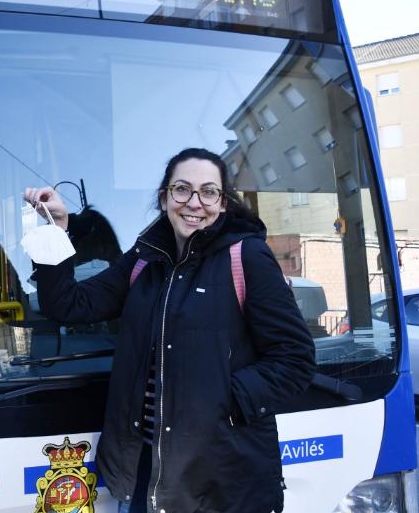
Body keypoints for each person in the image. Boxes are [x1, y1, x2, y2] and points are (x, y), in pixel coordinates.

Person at [23, 148, 315, 513]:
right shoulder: (144, 260)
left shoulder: (248, 257)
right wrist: (57, 228)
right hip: (148, 471)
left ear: (222, 204)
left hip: (221, 479)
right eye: (182, 189)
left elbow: (296, 360)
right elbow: (69, 304)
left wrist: (220, 402)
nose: (195, 203)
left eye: (208, 192)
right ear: (164, 198)